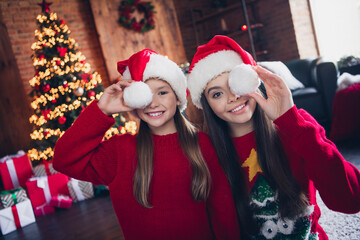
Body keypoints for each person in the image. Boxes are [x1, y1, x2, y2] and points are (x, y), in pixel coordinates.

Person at [53, 49, 240, 240]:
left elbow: (222, 209)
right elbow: (62, 160)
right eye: (145, 95)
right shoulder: (120, 150)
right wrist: (102, 110)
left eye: (162, 92)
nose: (153, 103)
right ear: (135, 101)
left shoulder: (202, 144)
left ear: (177, 98)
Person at [186, 35, 360, 240]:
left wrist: (292, 122)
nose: (232, 97)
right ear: (207, 106)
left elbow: (351, 200)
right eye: (217, 94)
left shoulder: (297, 126)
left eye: (236, 83)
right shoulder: (205, 152)